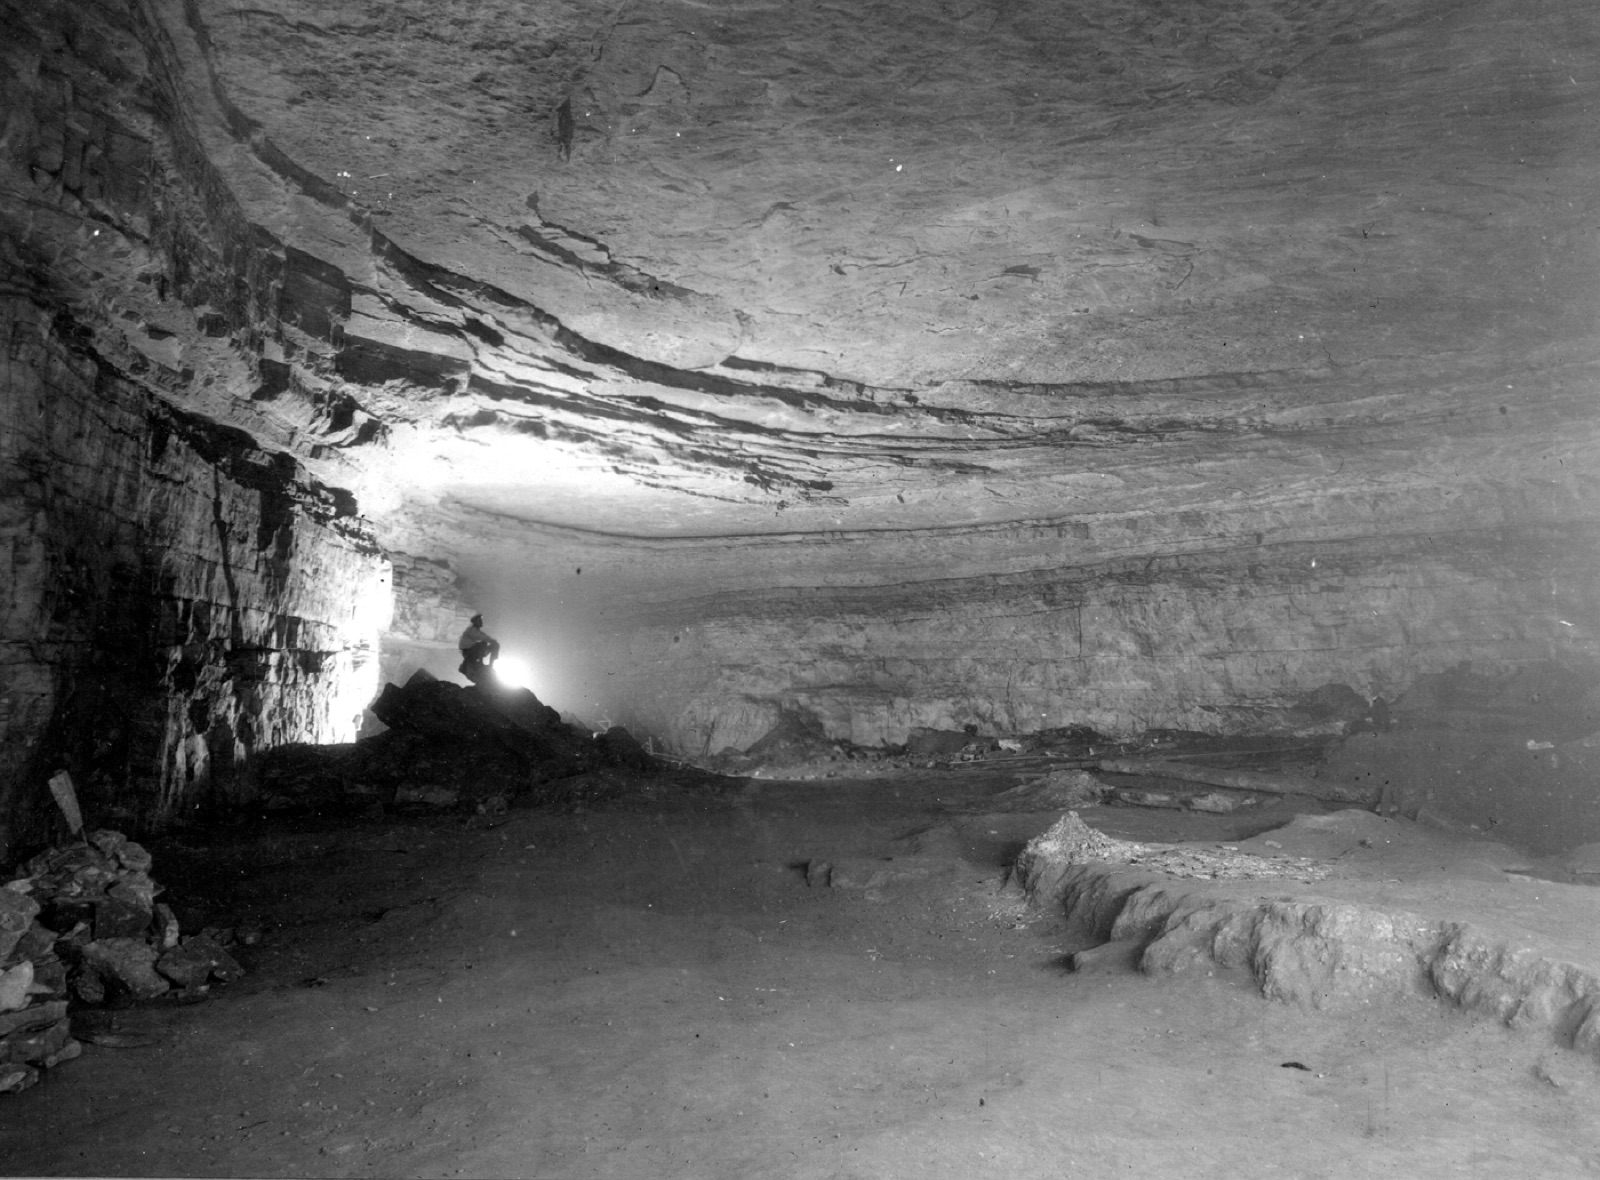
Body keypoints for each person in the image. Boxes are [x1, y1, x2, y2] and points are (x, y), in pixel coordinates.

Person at [457, 614, 500, 685]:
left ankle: (490, 665)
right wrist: (492, 641)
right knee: (483, 643)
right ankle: (481, 664)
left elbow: (483, 636)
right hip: (468, 652)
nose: (481, 622)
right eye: (479, 621)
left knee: (494, 645)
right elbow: (481, 637)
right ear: (475, 622)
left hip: (472, 651)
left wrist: (493, 641)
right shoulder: (471, 630)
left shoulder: (475, 630)